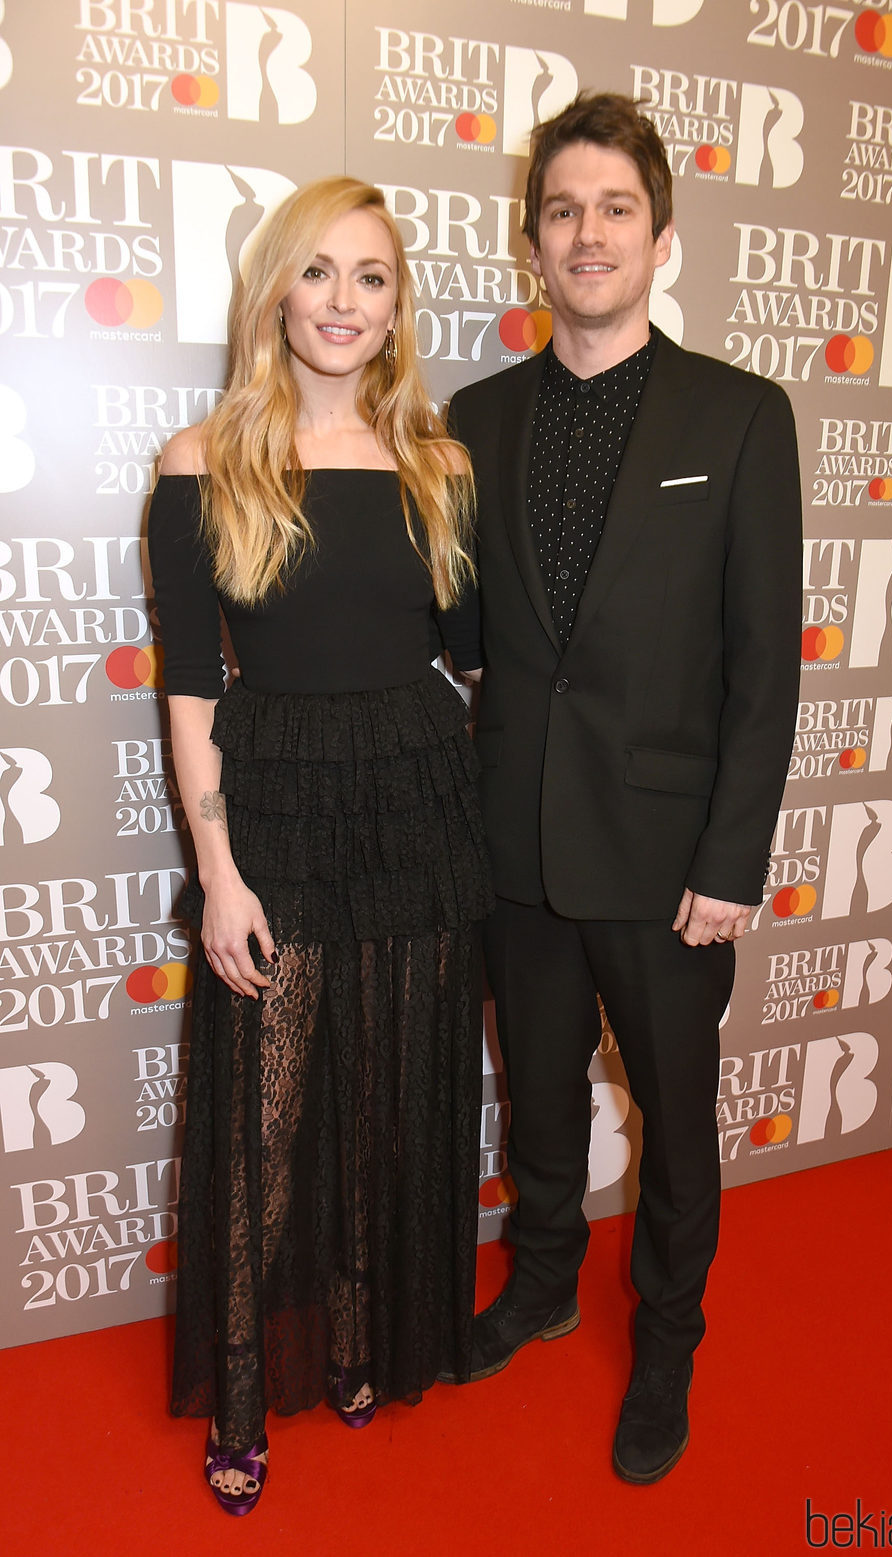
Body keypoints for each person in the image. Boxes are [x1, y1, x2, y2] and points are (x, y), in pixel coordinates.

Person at [448, 93, 802, 1484]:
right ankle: (541, 1285)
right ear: (531, 241)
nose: (585, 233)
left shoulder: (743, 414)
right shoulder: (474, 417)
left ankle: (668, 1333)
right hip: (514, 844)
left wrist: (732, 857)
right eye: (560, 210)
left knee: (674, 1112)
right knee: (536, 1095)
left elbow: (764, 667)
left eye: (613, 209)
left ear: (662, 235)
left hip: (668, 863)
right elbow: (464, 630)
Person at [148, 176, 493, 1515]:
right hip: (276, 799)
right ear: (276, 291)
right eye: (319, 273)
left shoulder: (438, 466)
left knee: (380, 1095)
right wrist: (220, 871)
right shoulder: (203, 461)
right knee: (266, 1118)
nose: (344, 302)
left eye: (372, 277)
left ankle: (357, 1335)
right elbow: (189, 691)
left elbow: (475, 663)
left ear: (398, 306)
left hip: (416, 798)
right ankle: (242, 1387)